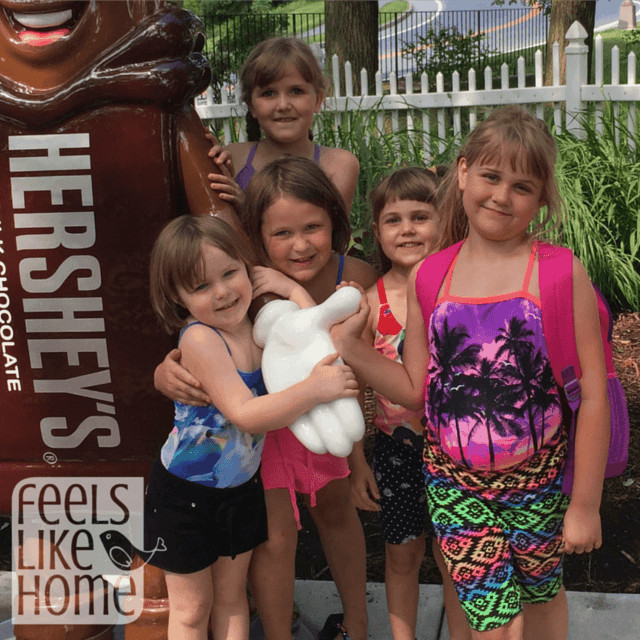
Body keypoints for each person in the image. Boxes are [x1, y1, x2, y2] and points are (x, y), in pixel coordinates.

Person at [332, 106, 610, 640]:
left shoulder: (557, 272)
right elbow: (415, 391)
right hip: (455, 484)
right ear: (462, 173)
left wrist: (586, 505)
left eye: (522, 186)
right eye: (490, 176)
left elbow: (592, 396)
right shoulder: (432, 275)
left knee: (543, 594)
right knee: (495, 624)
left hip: (539, 481)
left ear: (542, 199)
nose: (502, 196)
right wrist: (352, 348)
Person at [155, 157, 378, 640]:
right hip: (255, 445)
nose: (299, 244)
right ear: (256, 238)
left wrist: (295, 290)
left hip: (318, 424)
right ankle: (281, 633)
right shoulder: (240, 292)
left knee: (334, 515)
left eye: (313, 227)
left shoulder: (349, 276)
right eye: (281, 234)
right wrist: (163, 372)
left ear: (334, 224)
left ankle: (356, 623)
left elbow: (335, 357)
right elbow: (209, 360)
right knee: (273, 543)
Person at [347, 167, 470, 640]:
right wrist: (358, 463)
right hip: (397, 452)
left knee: (455, 556)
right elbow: (354, 389)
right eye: (393, 219)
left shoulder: (460, 291)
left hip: (459, 453)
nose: (407, 229)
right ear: (375, 232)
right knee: (401, 553)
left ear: (445, 221)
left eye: (421, 216)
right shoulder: (368, 303)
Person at [206, 36, 360, 212]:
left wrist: (246, 207)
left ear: (318, 100)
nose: (283, 105)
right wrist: (207, 161)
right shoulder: (235, 158)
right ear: (251, 106)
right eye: (269, 93)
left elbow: (324, 234)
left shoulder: (338, 165)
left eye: (296, 91)